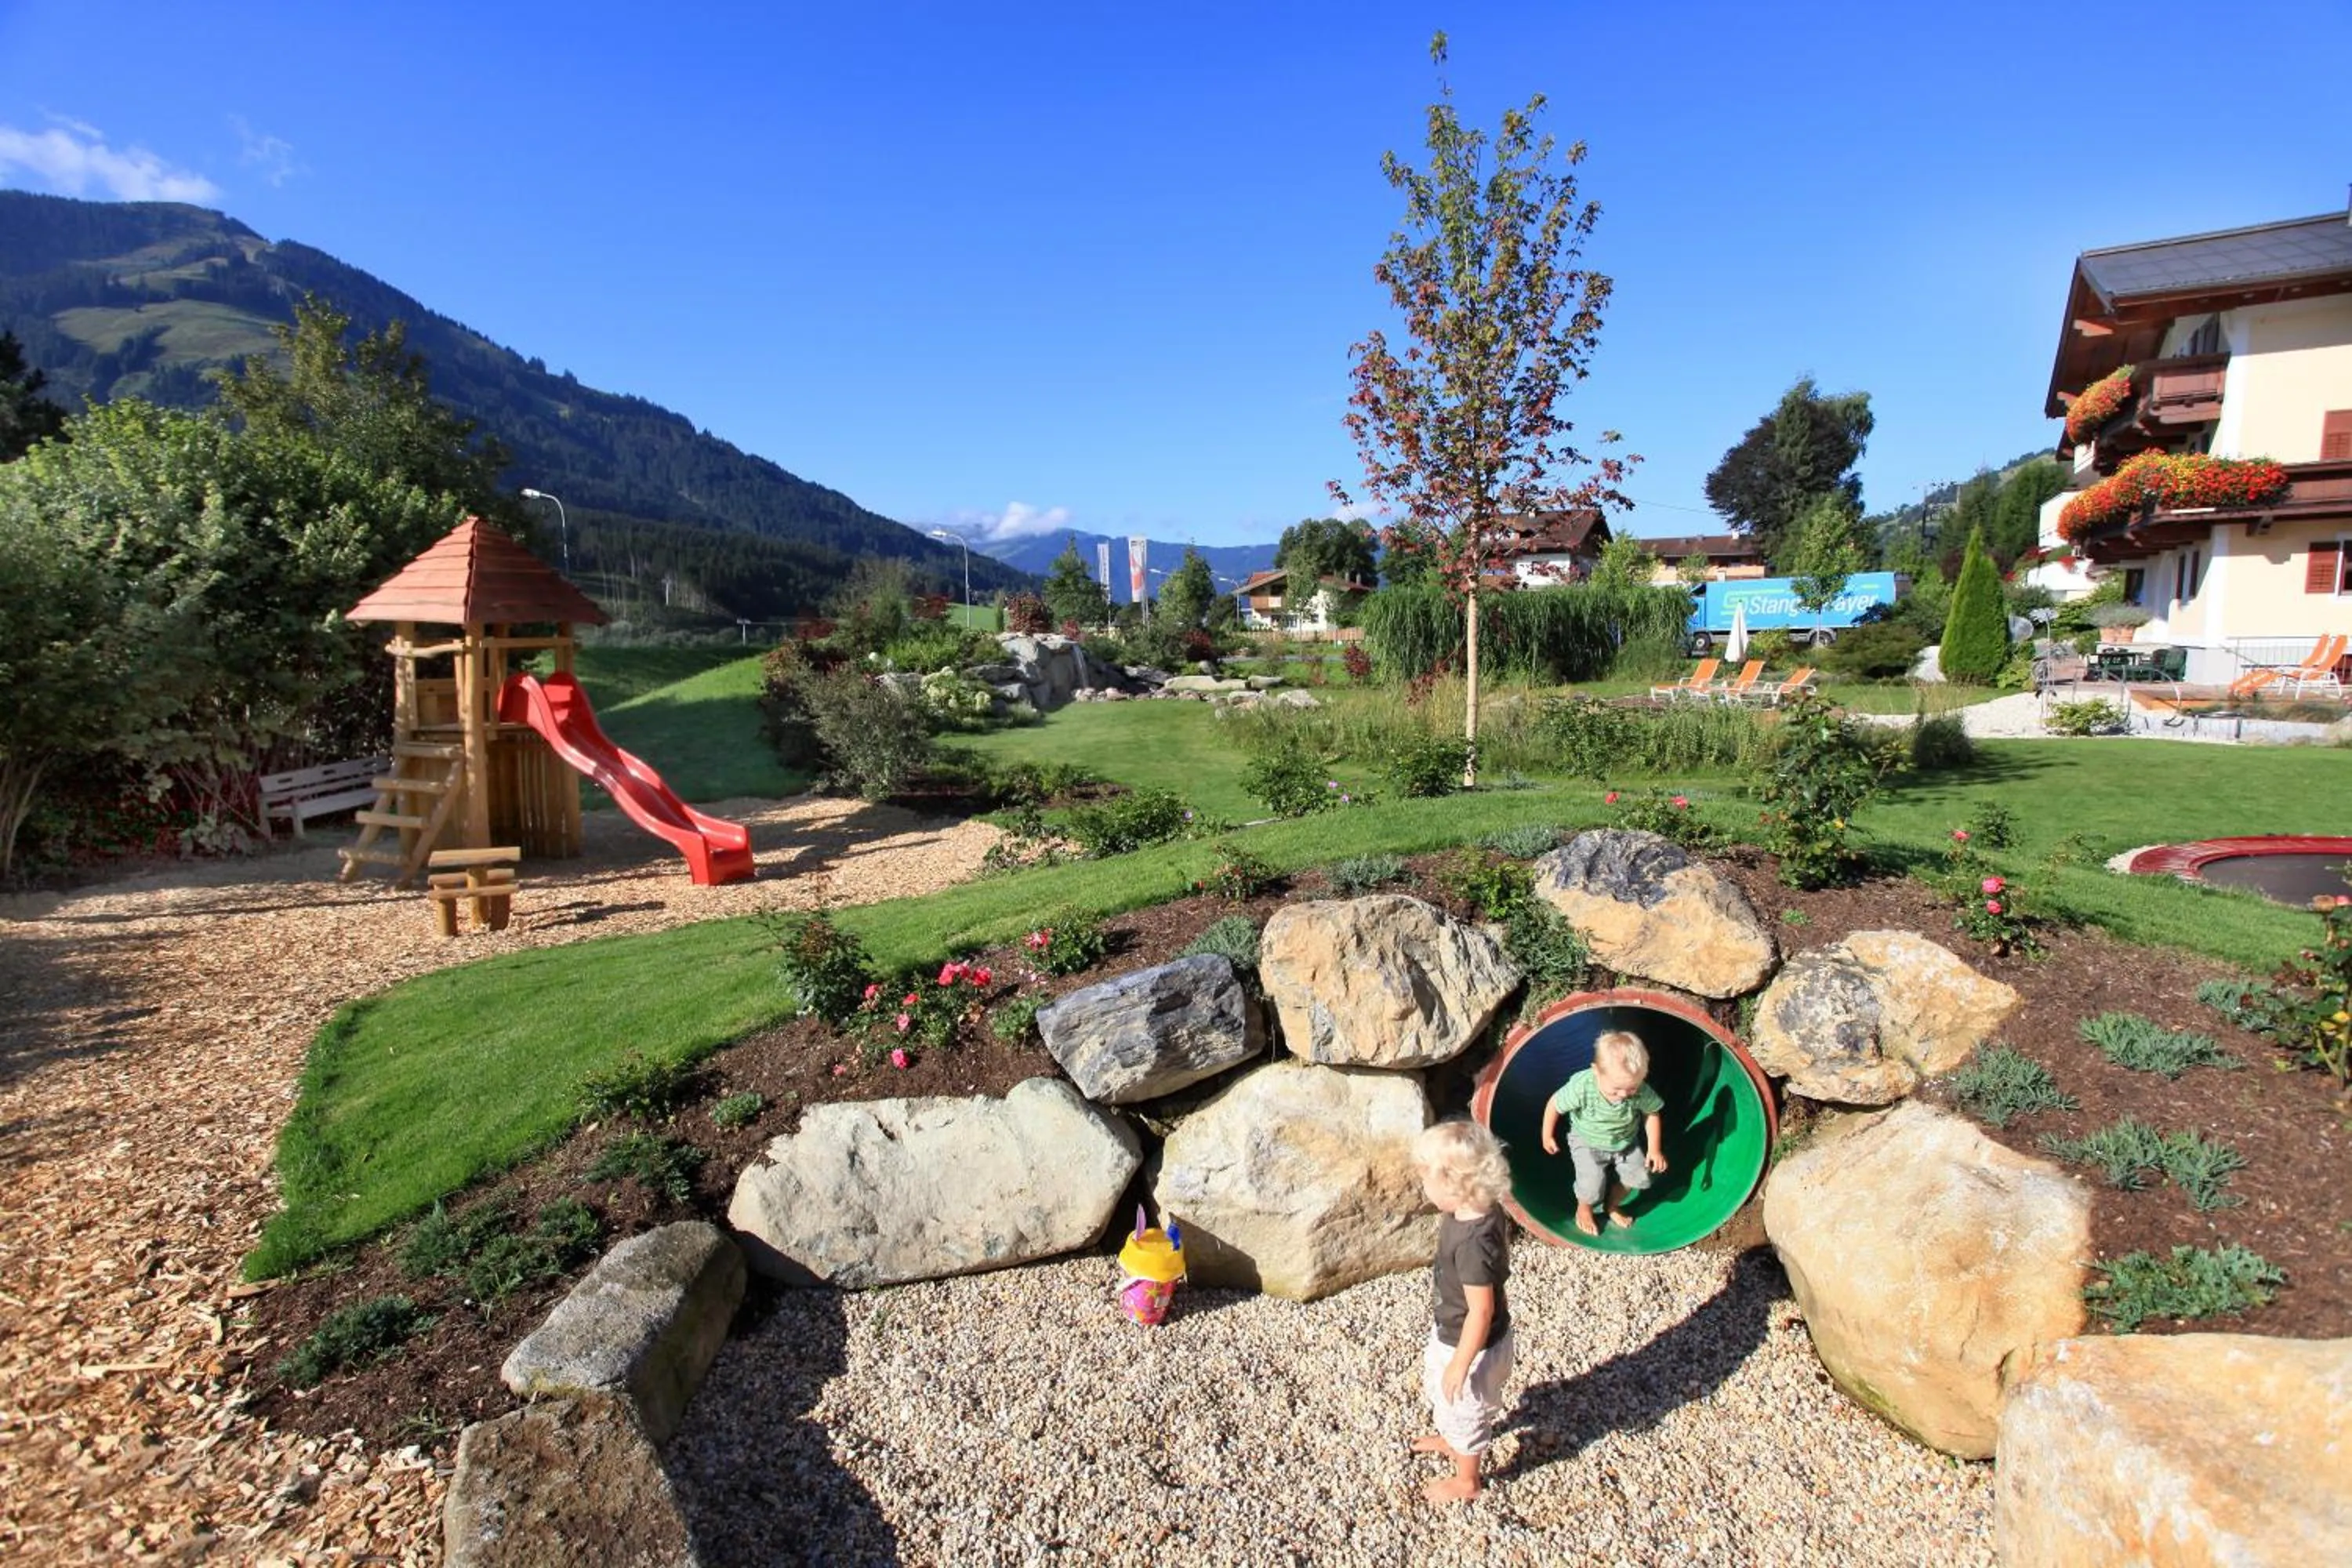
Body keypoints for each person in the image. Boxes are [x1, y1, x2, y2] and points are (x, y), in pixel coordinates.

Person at [1409, 1120, 1516, 1504]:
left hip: (1473, 1347)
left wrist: (1462, 1363)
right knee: (1447, 1397)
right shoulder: (1476, 1211)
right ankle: (1453, 1439)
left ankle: (1467, 1478)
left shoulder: (1474, 1244)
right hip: (1455, 1334)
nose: (1423, 1186)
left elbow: (1481, 1310)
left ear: (1454, 1185)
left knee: (1465, 1405)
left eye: (1426, 1179)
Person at [1540, 1028, 1668, 1237]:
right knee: (1591, 1183)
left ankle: (1612, 1205)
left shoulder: (1638, 1088)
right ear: (1596, 1071)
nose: (1624, 1095)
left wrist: (1654, 1149)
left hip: (1625, 1141)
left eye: (1631, 1089)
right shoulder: (1583, 1085)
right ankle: (1584, 1207)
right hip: (1587, 1140)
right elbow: (1555, 1103)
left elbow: (1652, 1112)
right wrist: (1547, 1134)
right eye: (1616, 1089)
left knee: (1639, 1176)